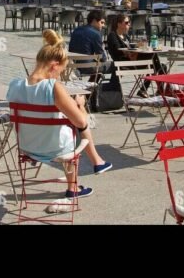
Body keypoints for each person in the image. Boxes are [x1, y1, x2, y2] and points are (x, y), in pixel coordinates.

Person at [7, 30, 112, 199]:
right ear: (54, 65)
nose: (59, 75)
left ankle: (96, 164)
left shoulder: (15, 85)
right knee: (75, 126)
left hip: (27, 147)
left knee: (61, 125)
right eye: (60, 71)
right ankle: (75, 186)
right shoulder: (53, 87)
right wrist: (80, 105)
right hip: (57, 150)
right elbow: (80, 121)